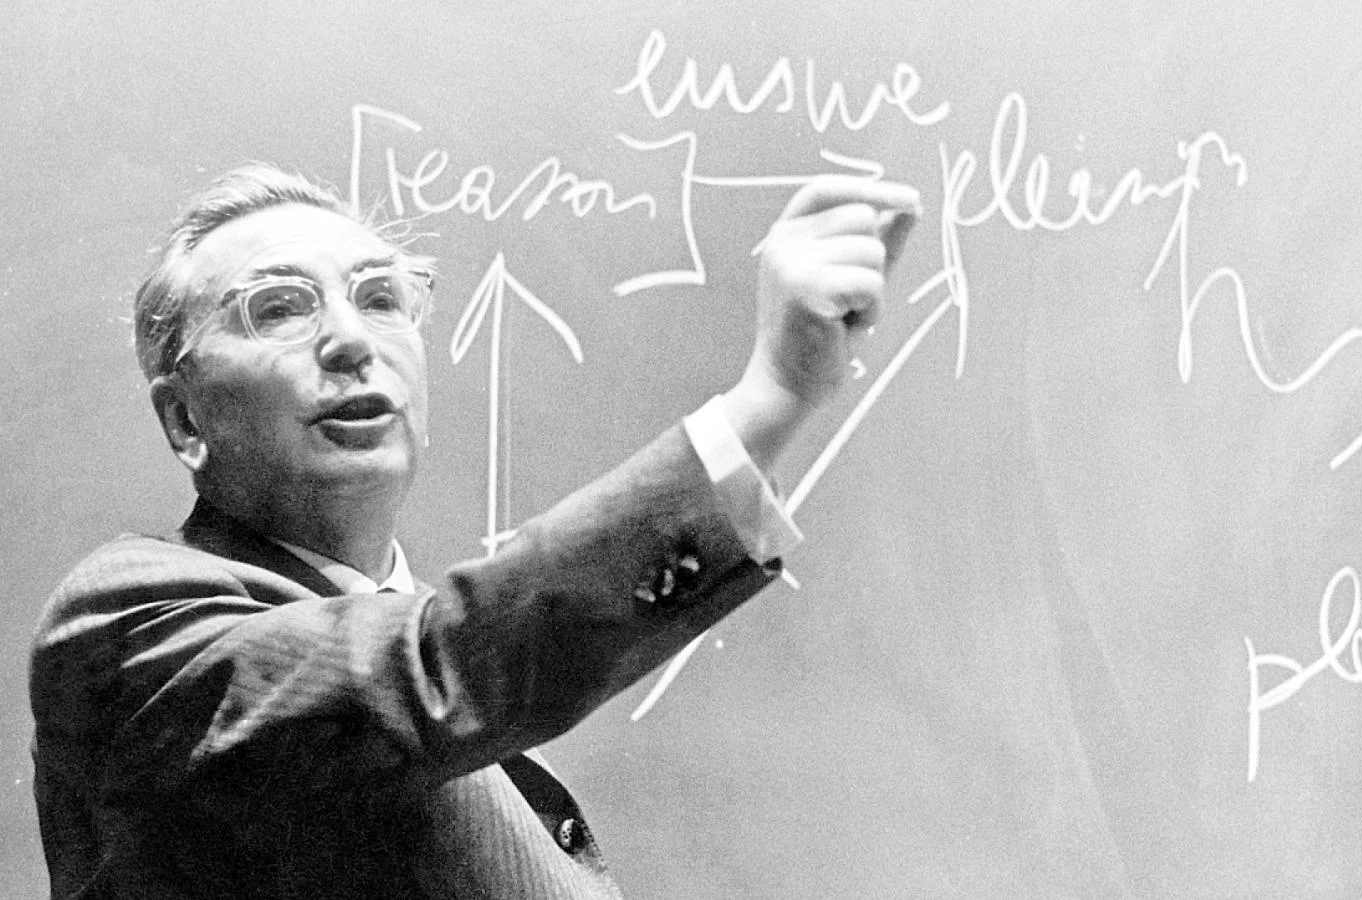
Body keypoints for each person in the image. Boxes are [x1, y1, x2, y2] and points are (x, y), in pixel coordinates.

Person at [29, 163, 920, 899]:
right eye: (280, 307)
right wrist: (767, 402)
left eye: (380, 297)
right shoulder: (124, 626)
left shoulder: (452, 685)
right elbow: (428, 675)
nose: (351, 340)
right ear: (185, 420)